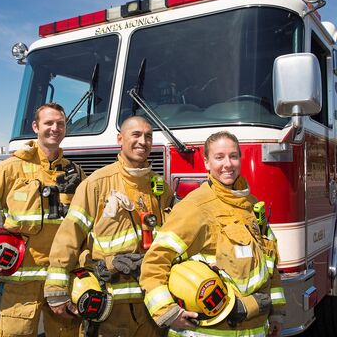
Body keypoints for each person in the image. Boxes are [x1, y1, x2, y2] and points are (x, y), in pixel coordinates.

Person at [140, 131, 286, 337]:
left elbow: (270, 265)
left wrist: (277, 313)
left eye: (233, 156)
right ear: (206, 163)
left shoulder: (251, 205)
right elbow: (154, 263)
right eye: (219, 157)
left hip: (256, 329)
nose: (228, 164)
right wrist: (167, 312)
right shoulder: (195, 207)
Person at [44, 115, 174, 337]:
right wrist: (56, 290)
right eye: (136, 135)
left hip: (152, 305)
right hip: (110, 308)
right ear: (120, 139)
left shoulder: (160, 187)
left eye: (148, 136)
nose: (143, 141)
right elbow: (69, 237)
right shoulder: (96, 184)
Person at [0, 102, 85, 336]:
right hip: (19, 281)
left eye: (60, 124)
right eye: (48, 123)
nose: (55, 128)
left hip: (62, 279)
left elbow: (86, 225)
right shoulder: (10, 169)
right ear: (36, 127)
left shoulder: (76, 173)